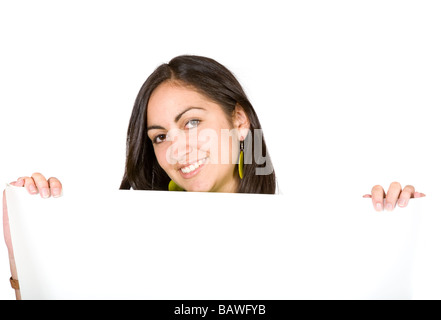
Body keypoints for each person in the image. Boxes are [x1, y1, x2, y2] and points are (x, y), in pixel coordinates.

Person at [2, 55, 426, 299]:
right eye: (160, 136)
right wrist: (30, 254)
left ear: (239, 122)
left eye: (191, 123)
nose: (175, 150)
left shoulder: (312, 238)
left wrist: (396, 240)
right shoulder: (119, 238)